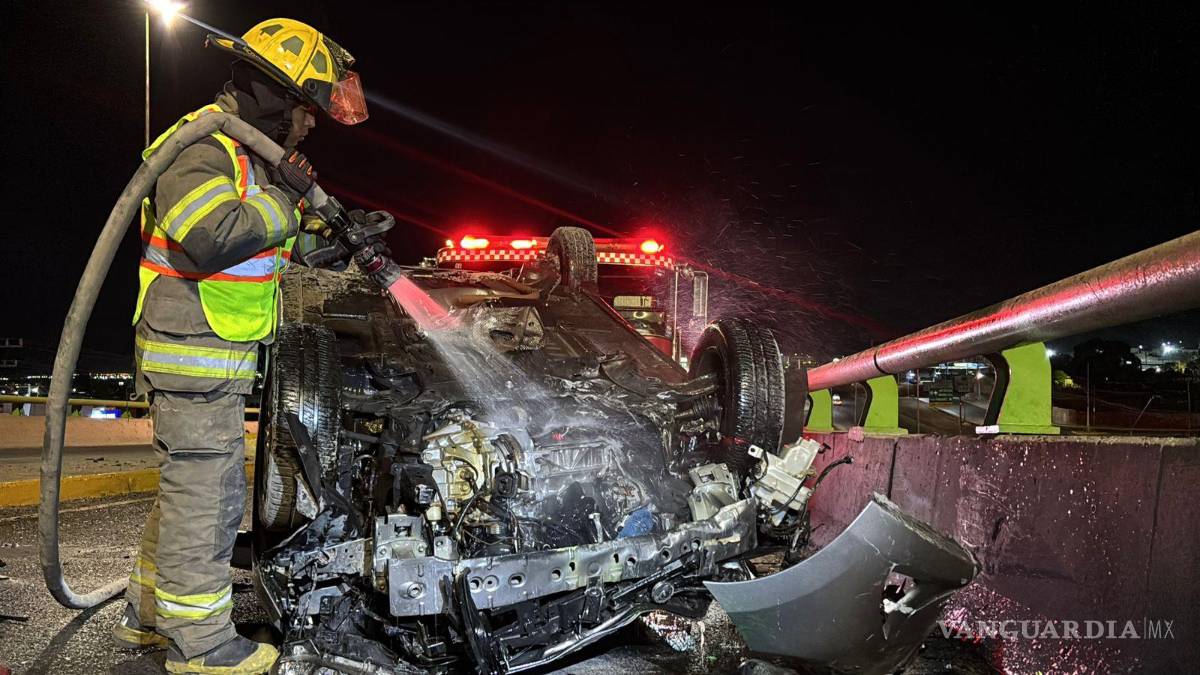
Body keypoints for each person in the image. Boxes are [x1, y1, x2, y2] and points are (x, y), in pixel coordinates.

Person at [110, 18, 368, 674]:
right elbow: (211, 234)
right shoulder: (205, 144)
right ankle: (199, 644)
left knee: (187, 487)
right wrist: (287, 200)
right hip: (191, 351)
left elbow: (265, 247)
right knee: (210, 492)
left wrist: (327, 238)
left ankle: (148, 609)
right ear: (279, 97)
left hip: (212, 353)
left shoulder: (246, 156)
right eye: (305, 113)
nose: (306, 128)